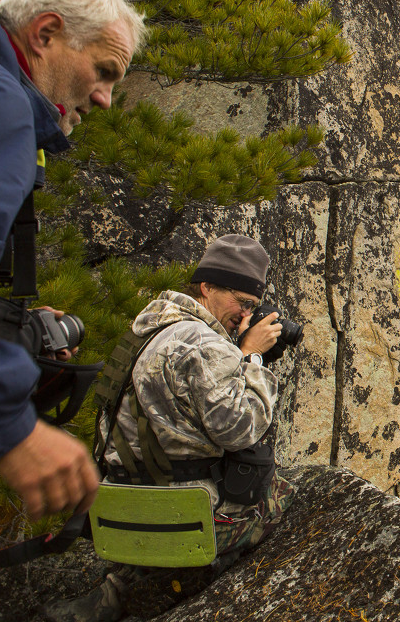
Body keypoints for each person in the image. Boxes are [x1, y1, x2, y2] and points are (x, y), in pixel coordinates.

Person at [44, 234, 295, 622]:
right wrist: (252, 356)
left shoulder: (149, 326)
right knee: (280, 496)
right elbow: (241, 430)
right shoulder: (201, 343)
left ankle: (118, 586)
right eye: (241, 303)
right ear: (208, 287)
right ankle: (171, 585)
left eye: (252, 307)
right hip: (181, 519)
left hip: (121, 508)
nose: (245, 315)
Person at [0, 0, 146, 522]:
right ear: (46, 34)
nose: (104, 98)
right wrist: (11, 428)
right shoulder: (3, 106)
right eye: (103, 71)